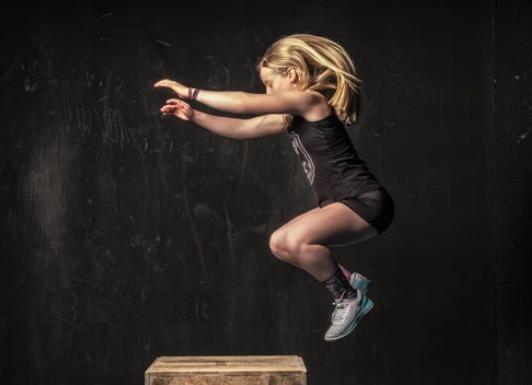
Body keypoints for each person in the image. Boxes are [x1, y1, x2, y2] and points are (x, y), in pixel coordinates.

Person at [154, 33, 394, 342]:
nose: (267, 92)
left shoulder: (312, 101)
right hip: (347, 205)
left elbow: (243, 104)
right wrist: (196, 115)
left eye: (270, 83)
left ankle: (349, 297)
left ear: (292, 74)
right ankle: (348, 284)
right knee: (280, 243)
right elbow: (242, 127)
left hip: (364, 201)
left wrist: (190, 92)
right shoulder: (290, 118)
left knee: (293, 239)